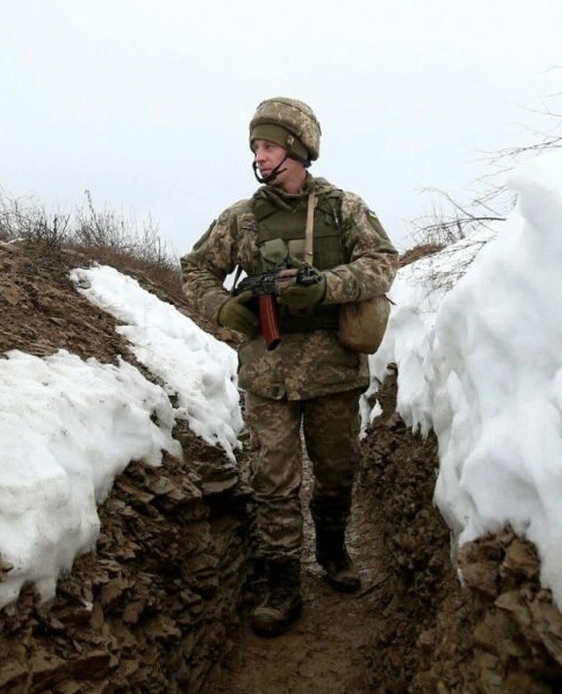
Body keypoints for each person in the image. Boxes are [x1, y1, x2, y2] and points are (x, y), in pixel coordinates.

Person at [180, 97, 398, 637]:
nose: (260, 153)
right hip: (268, 374)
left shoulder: (343, 209)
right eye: (255, 145)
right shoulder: (241, 218)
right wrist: (223, 307)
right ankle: (280, 582)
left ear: (298, 149)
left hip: (333, 371)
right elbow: (195, 270)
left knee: (338, 469)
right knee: (273, 480)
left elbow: (382, 263)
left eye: (270, 144)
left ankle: (333, 551)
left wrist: (326, 286)